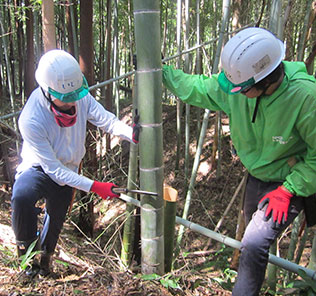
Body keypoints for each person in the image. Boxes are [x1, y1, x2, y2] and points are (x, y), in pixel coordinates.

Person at [162, 27, 316, 295]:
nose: (235, 92)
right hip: (257, 175)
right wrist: (160, 71)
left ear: (265, 81)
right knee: (250, 244)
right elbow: (195, 87)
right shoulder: (240, 89)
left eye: (242, 89)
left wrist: (290, 189)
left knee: (255, 243)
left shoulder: (306, 98)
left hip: (293, 179)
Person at [11, 49, 139, 278]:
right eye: (65, 99)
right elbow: (54, 170)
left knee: (57, 215)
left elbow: (105, 119)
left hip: (69, 167)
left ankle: (46, 260)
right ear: (47, 91)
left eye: (74, 97)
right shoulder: (31, 119)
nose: (72, 103)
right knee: (22, 196)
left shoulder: (79, 95)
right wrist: (95, 186)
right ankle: (27, 259)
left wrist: (130, 132)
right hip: (40, 167)